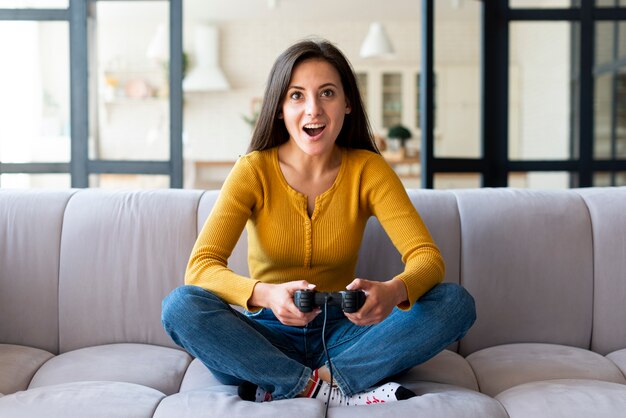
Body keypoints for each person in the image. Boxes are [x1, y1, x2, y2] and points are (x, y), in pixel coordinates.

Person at [161, 38, 476, 408]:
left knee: (455, 302)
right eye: (297, 95)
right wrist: (267, 295)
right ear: (279, 108)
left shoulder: (368, 170)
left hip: (346, 332)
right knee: (181, 306)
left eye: (326, 93)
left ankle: (299, 382)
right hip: (264, 335)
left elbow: (427, 258)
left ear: (347, 104)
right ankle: (331, 387)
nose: (313, 109)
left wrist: (393, 292)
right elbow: (200, 268)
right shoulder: (252, 171)